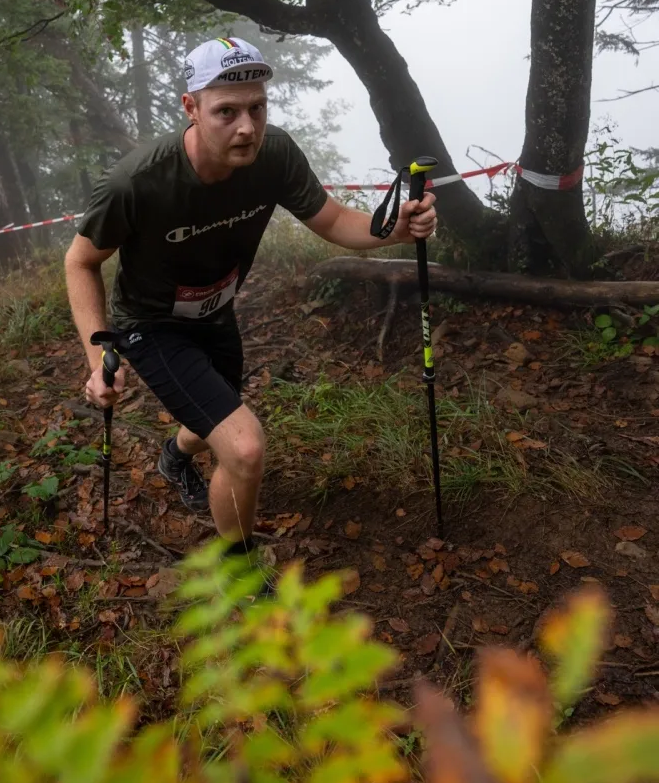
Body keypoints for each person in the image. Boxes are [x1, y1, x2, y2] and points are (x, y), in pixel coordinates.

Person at [65, 36, 437, 566]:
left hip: (217, 312)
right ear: (190, 108)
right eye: (227, 112)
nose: (247, 126)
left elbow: (330, 220)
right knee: (243, 447)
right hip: (151, 323)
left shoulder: (275, 154)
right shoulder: (136, 182)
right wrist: (96, 357)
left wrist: (392, 230)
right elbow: (80, 262)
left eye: (257, 108)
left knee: (209, 417)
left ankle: (173, 457)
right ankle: (239, 571)